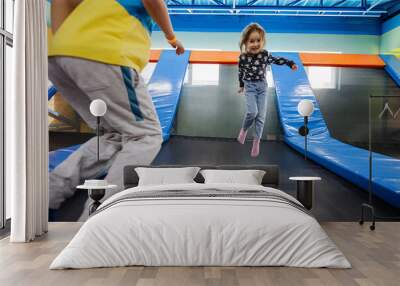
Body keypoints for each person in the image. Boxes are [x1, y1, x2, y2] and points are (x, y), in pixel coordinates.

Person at [48, 0, 185, 216]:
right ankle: (102, 212)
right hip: (105, 54)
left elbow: (62, 1)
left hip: (58, 57)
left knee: (112, 134)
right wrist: (171, 37)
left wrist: (66, 43)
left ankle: (49, 193)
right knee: (146, 135)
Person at [237, 23, 297, 157]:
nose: (255, 44)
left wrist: (290, 63)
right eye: (252, 41)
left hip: (262, 87)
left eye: (258, 40)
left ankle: (256, 142)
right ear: (245, 42)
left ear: (262, 41)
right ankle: (244, 130)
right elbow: (240, 72)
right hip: (250, 87)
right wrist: (241, 85)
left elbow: (277, 60)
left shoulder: (264, 55)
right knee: (252, 112)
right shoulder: (242, 58)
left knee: (261, 116)